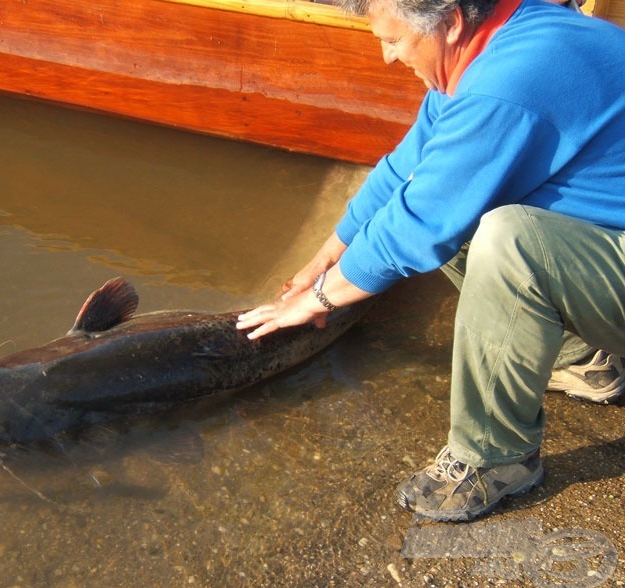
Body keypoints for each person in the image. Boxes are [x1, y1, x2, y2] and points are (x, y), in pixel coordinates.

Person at [236, 0, 625, 521]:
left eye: (393, 41)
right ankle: (587, 360)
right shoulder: (498, 37)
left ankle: (495, 459)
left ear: (452, 22)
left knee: (506, 239)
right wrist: (324, 259)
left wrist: (319, 300)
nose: (386, 58)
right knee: (474, 204)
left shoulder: (506, 81)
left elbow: (423, 222)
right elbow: (407, 167)